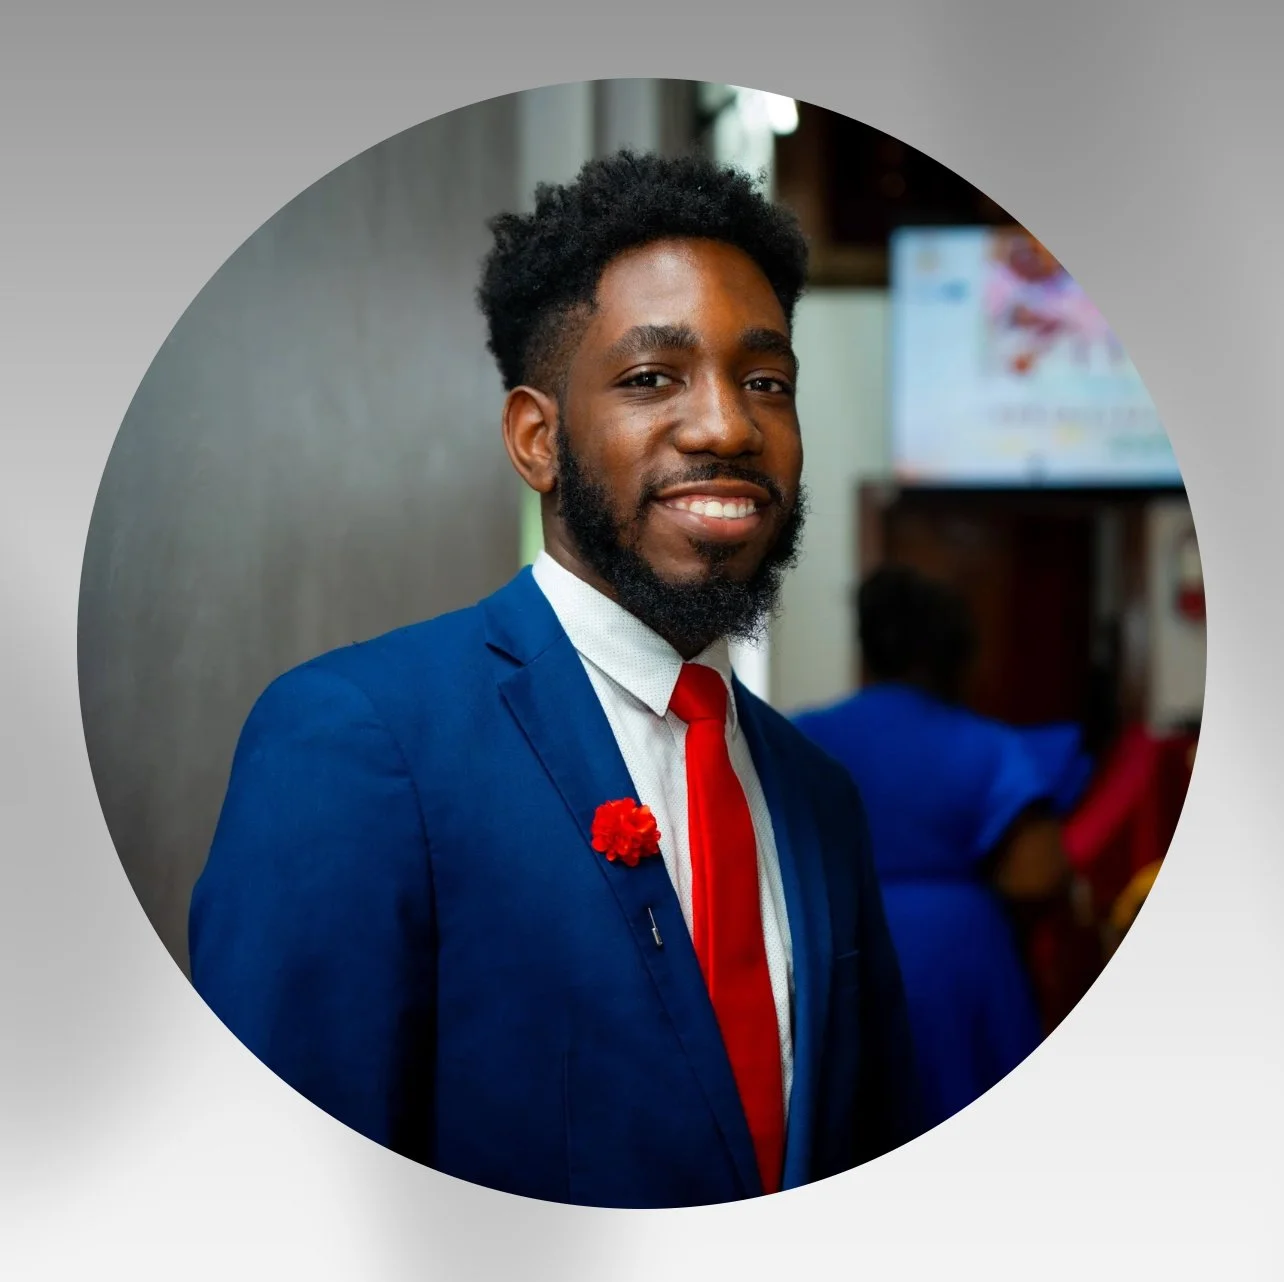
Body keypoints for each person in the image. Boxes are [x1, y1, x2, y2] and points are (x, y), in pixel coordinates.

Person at [188, 151, 919, 1209]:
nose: (726, 425)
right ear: (537, 439)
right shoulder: (360, 740)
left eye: (766, 381)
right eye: (651, 377)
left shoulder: (818, 796)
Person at [793, 566, 1089, 1132]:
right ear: (957, 654)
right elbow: (1036, 874)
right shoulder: (990, 744)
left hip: (839, 941)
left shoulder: (802, 734)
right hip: (963, 959)